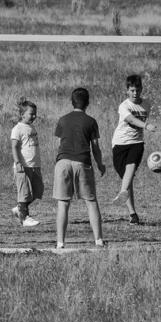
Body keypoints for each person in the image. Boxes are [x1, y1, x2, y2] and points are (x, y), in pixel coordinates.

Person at [53, 87, 106, 249]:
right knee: (91, 201)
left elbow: (58, 144)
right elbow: (95, 146)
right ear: (87, 103)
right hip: (83, 162)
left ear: (72, 101)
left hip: (63, 162)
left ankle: (60, 242)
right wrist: (100, 164)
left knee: (63, 203)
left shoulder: (62, 120)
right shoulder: (91, 121)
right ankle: (98, 240)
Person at [111, 74, 157, 225]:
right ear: (127, 91)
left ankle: (123, 192)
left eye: (137, 90)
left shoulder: (147, 104)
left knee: (131, 168)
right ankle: (133, 214)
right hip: (120, 144)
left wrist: (144, 127)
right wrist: (145, 126)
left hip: (137, 142)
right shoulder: (124, 106)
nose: (135, 93)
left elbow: (140, 119)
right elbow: (130, 119)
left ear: (141, 89)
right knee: (127, 179)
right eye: (132, 90)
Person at [10, 99, 43, 228]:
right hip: (23, 166)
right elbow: (14, 147)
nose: (34, 116)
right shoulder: (17, 129)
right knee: (24, 193)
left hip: (34, 165)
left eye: (35, 113)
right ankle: (24, 218)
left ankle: (19, 209)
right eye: (31, 114)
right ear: (22, 114)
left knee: (38, 191)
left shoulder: (31, 127)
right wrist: (18, 163)